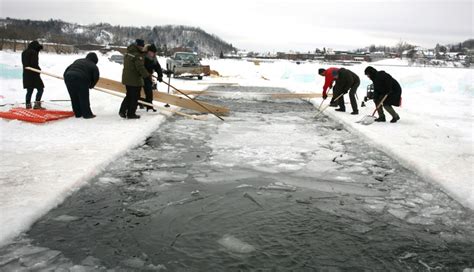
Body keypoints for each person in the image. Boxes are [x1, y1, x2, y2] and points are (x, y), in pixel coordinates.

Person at [119, 39, 150, 119]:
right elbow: (140, 67)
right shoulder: (137, 55)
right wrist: (147, 76)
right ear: (138, 46)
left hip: (127, 78)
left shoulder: (128, 53)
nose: (142, 48)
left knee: (129, 95)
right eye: (142, 46)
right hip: (134, 80)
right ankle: (131, 113)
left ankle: (122, 111)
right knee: (135, 97)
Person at [63, 52, 100, 119]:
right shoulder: (93, 65)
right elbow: (96, 77)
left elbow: (68, 69)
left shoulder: (78, 60)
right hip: (81, 78)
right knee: (83, 97)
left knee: (74, 97)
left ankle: (78, 113)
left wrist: (66, 79)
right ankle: (87, 115)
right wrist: (91, 85)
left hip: (68, 76)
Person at [139, 44, 163, 112]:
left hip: (148, 77)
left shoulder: (154, 58)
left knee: (149, 92)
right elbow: (140, 67)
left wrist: (160, 76)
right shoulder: (143, 57)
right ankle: (139, 104)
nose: (154, 54)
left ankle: (149, 107)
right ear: (149, 52)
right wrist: (146, 73)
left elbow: (158, 67)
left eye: (155, 53)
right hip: (140, 77)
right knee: (137, 92)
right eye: (153, 52)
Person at [22, 40, 45, 109]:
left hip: (26, 74)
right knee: (41, 88)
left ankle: (28, 104)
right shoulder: (34, 52)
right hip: (34, 74)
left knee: (29, 90)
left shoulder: (24, 52)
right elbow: (34, 64)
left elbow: (26, 64)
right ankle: (37, 104)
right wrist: (39, 70)